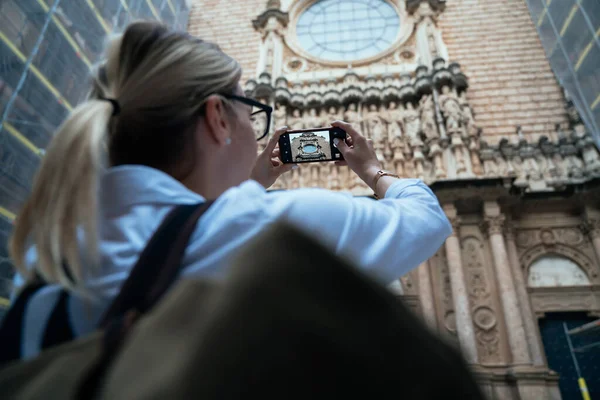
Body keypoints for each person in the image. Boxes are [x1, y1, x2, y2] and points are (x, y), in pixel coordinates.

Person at [9, 22, 451, 358]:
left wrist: (254, 180)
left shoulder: (45, 253)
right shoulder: (276, 232)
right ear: (217, 116)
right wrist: (373, 171)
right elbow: (425, 220)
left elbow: (195, 225)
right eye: (252, 110)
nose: (254, 129)